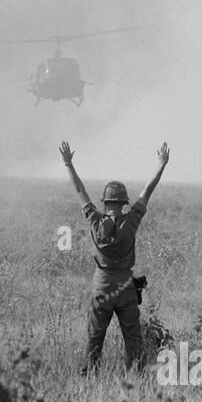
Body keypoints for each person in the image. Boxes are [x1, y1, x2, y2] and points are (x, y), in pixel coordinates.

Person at [59, 139, 170, 375]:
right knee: (132, 336)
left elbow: (80, 191)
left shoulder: (95, 221)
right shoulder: (131, 222)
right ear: (123, 203)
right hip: (125, 287)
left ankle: (90, 374)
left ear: (106, 202)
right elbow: (147, 192)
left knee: (95, 334)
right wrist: (161, 165)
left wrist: (69, 164)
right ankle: (135, 376)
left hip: (102, 284)